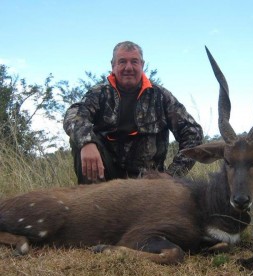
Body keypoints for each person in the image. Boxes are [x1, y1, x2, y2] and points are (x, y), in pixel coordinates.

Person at [63, 41, 203, 184]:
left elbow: (193, 132)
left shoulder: (161, 96)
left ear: (142, 65)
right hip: (105, 179)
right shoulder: (99, 94)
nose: (128, 67)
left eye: (134, 62)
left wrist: (173, 174)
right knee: (79, 140)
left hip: (149, 181)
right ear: (113, 66)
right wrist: (87, 143)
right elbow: (74, 115)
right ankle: (92, 201)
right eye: (122, 61)